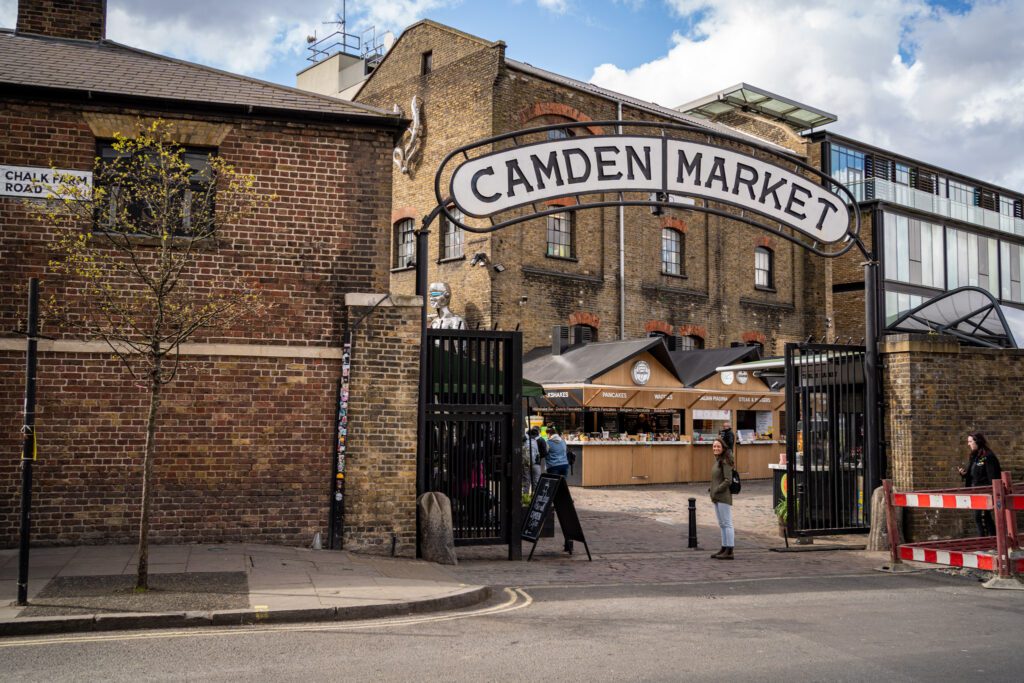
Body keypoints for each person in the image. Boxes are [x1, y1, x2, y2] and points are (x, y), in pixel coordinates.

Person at [957, 432, 1002, 537]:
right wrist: (964, 474)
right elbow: (973, 473)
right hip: (975, 492)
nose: (968, 444)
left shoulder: (988, 456)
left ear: (977, 442)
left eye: (970, 441)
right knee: (984, 517)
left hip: (984, 492)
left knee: (980, 517)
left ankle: (985, 540)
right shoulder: (975, 456)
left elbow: (993, 477)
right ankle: (993, 539)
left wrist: (992, 493)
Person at [544, 426, 573, 554]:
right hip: (564, 465)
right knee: (563, 485)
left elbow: (545, 453)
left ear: (549, 434)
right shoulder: (563, 441)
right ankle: (565, 501)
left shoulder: (548, 443)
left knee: (553, 486)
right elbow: (565, 451)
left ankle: (553, 502)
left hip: (553, 466)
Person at [708, 437, 735, 560]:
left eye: (718, 446)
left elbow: (728, 480)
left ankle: (730, 550)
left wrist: (717, 489)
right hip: (716, 496)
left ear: (723, 447)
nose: (716, 448)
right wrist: (712, 489)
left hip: (723, 496)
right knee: (722, 524)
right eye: (714, 446)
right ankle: (724, 547)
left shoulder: (726, 461)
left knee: (727, 523)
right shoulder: (718, 460)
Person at [523, 427, 547, 493]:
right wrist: (538, 457)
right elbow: (545, 453)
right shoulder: (541, 440)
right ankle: (534, 498)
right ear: (538, 433)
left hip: (526, 463)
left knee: (526, 482)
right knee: (536, 482)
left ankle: (525, 498)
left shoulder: (525, 440)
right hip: (536, 464)